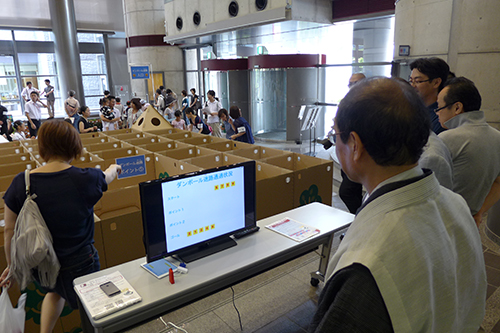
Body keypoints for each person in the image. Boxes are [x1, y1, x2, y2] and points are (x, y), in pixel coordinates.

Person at [308, 77, 486, 332]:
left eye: (336, 135)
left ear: (355, 146)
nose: (334, 143)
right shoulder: (456, 204)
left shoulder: (366, 264)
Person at [0, 120, 121, 333]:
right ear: (74, 145)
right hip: (81, 261)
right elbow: (107, 177)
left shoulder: (22, 182)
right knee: (92, 304)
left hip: (42, 262)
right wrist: (114, 168)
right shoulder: (84, 178)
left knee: (55, 293)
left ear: (42, 147)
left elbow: (9, 229)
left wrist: (12, 265)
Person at [436, 77, 500, 226]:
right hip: (469, 221)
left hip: (441, 221)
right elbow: (498, 182)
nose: (437, 113)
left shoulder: (447, 138)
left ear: (457, 107)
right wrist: (480, 211)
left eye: (439, 108)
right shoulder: (497, 137)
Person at [409, 57, 449, 135]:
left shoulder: (442, 115)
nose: (412, 86)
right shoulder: (411, 109)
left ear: (436, 83)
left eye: (418, 81)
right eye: (411, 81)